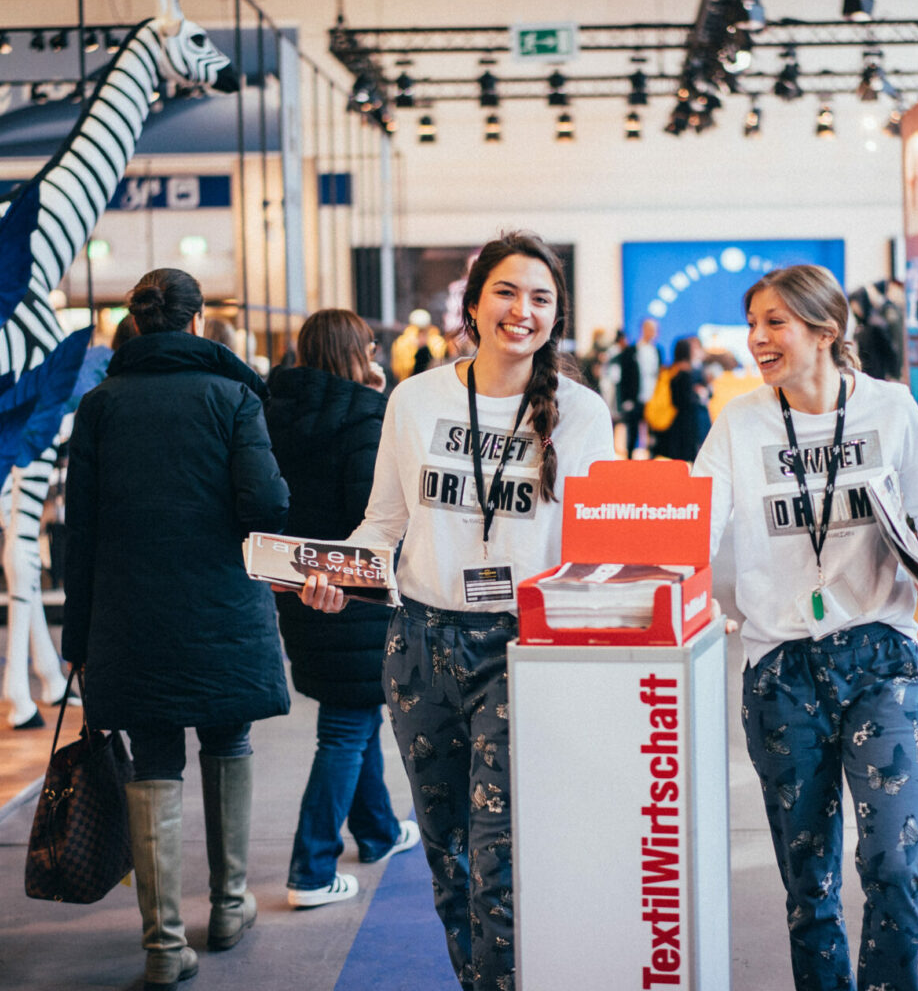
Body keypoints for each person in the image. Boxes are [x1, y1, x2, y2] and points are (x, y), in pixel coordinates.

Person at [301, 231, 615, 990]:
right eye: (506, 292)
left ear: (556, 315)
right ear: (473, 304)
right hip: (420, 645)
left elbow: (593, 548)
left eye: (541, 298)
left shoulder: (580, 412)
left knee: (500, 857)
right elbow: (383, 523)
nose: (522, 311)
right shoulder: (415, 400)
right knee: (447, 855)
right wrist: (338, 575)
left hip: (524, 647)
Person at [692, 265, 918, 991]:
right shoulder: (739, 423)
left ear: (825, 331)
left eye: (775, 322)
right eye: (753, 323)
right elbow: (698, 521)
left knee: (896, 865)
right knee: (807, 884)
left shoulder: (891, 407)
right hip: (782, 667)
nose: (756, 338)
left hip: (880, 653)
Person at [62, 268, 291, 991]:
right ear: (197, 323)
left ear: (135, 324)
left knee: (153, 754)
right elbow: (265, 508)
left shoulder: (99, 406)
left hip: (131, 616)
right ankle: (228, 906)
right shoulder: (233, 396)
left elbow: (80, 533)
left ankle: (162, 945)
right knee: (230, 735)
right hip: (221, 608)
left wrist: (78, 641)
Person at [265, 309, 419, 910]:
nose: (379, 353)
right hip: (357, 592)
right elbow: (374, 513)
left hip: (300, 590)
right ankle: (310, 868)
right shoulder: (366, 417)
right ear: (356, 352)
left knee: (352, 712)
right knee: (346, 728)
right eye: (372, 345)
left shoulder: (272, 414)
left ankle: (378, 832)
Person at [654, 335, 711, 463]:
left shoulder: (669, 371)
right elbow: (686, 400)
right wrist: (698, 395)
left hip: (673, 419)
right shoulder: (687, 373)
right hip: (688, 421)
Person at [617, 316, 661, 457]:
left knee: (653, 434)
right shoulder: (631, 351)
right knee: (633, 432)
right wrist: (626, 400)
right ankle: (629, 460)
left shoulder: (658, 351)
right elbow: (624, 378)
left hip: (653, 398)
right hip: (636, 398)